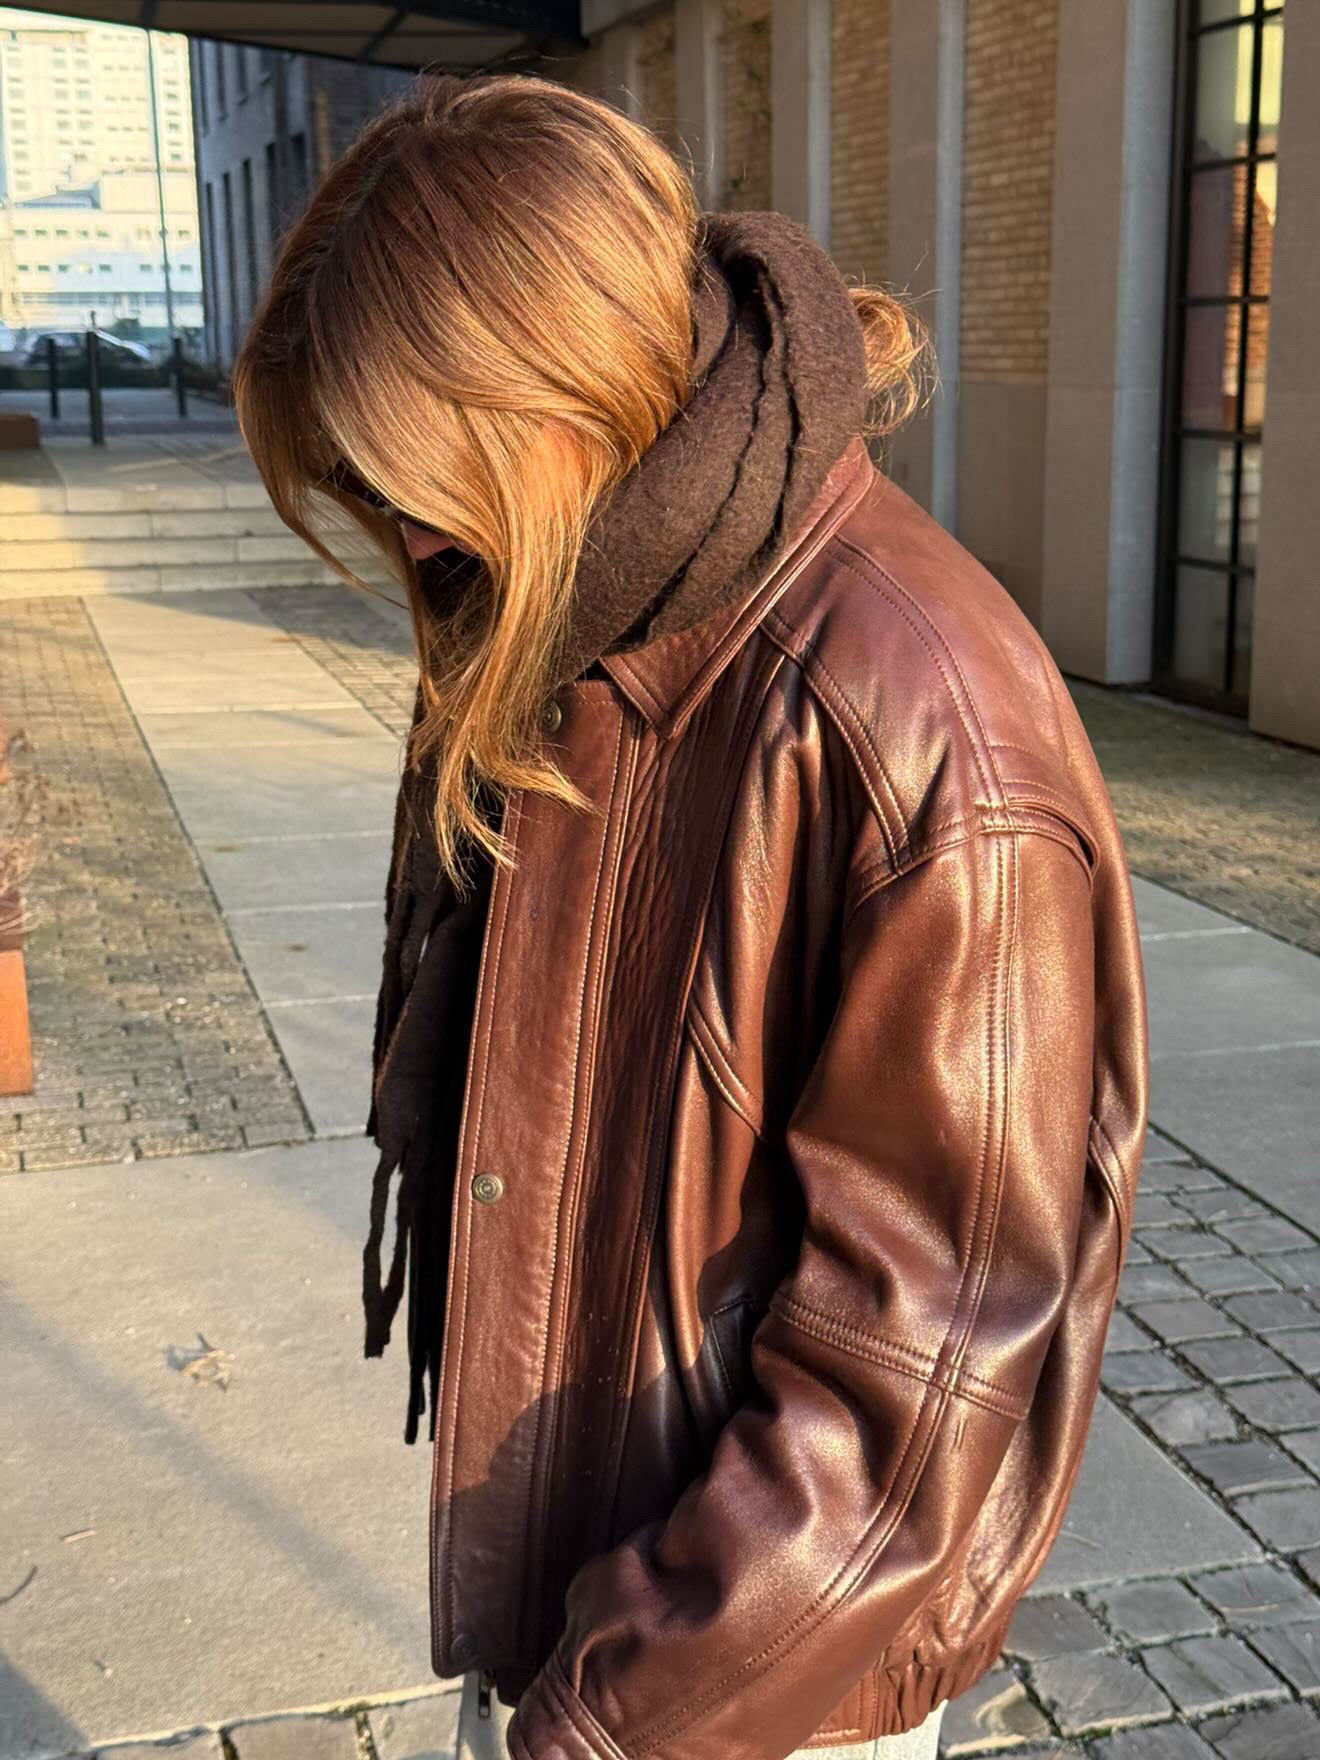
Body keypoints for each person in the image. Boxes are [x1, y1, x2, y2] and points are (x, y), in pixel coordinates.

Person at [232, 70, 1147, 1760]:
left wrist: (611, 1710)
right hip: (592, 1597)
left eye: (428, 462)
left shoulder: (916, 718)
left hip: (747, 1683)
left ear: (564, 385)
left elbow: (919, 1376)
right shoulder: (594, 606)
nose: (413, 522)